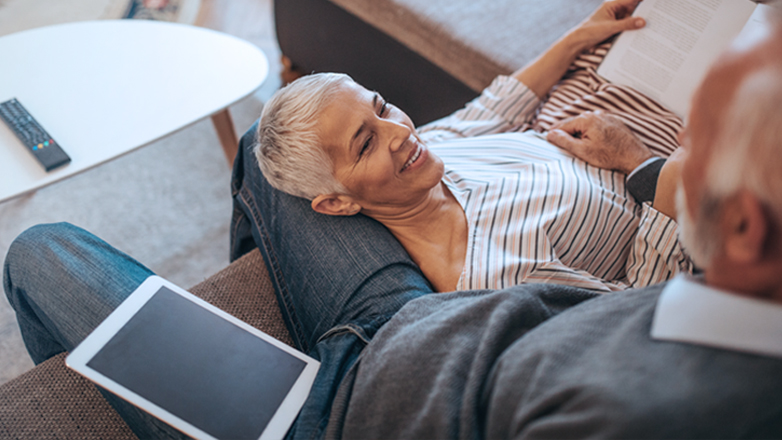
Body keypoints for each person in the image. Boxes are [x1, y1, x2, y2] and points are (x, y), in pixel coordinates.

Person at [5, 3, 782, 440]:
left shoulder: (639, 384)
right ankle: (273, 283)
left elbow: (618, 295)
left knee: (40, 253)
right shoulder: (438, 151)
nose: (403, 131)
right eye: (375, 125)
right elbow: (490, 112)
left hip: (359, 392)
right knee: (267, 138)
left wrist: (648, 179)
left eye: (696, 145)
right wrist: (582, 46)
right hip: (399, 333)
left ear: (742, 228)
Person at [254, 0, 691, 294]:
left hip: (608, 114)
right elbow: (634, 312)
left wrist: (582, 34)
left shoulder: (427, 157)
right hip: (674, 188)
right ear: (336, 204)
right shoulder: (495, 275)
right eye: (365, 144)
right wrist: (652, 173)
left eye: (382, 107)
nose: (401, 132)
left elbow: (494, 109)